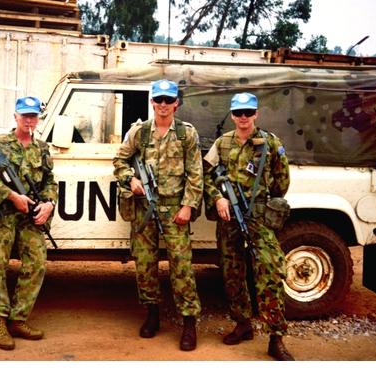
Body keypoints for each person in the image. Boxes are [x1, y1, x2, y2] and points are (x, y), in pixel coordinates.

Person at [202, 92, 294, 361]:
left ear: (256, 114)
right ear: (232, 115)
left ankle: (276, 337)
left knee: (269, 271)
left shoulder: (269, 142)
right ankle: (243, 324)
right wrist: (218, 197)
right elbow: (206, 176)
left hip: (258, 217)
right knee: (232, 272)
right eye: (238, 113)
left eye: (248, 112)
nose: (243, 117)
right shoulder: (222, 144)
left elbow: (281, 180)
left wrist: (262, 203)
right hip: (229, 216)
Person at [113, 79, 203, 351]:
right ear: (152, 102)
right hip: (145, 210)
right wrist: (130, 180)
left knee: (182, 266)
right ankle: (152, 315)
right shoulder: (139, 132)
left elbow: (196, 173)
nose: (163, 104)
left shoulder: (186, 134)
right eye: (158, 99)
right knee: (145, 264)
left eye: (168, 100)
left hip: (175, 209)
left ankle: (189, 323)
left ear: (176, 103)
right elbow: (120, 160)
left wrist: (188, 206)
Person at [0, 96, 57, 350]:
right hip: (2, 213)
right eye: (24, 115)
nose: (29, 120)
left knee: (36, 262)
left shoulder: (42, 148)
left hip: (28, 217)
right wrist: (11, 196)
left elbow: (49, 182)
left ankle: (18, 318)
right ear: (15, 116)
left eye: (33, 116)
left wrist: (49, 203)